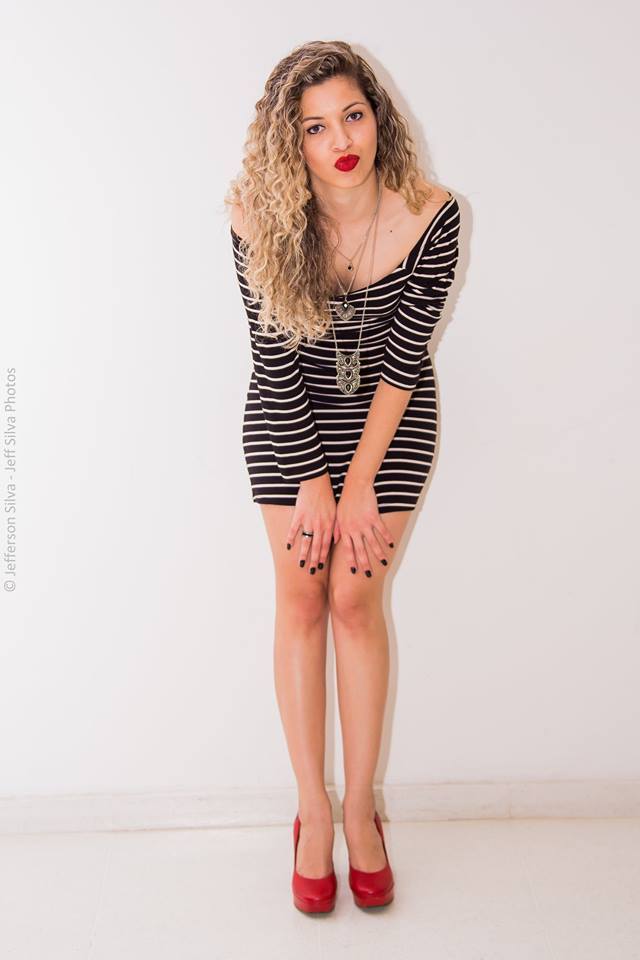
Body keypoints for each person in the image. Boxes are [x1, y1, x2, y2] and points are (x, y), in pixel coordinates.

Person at [225, 39, 461, 913]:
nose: (341, 141)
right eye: (315, 127)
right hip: (289, 417)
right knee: (300, 597)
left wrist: (358, 483)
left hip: (388, 420)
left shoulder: (431, 214)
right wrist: (314, 482)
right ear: (290, 140)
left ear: (378, 115)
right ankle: (312, 811)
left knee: (355, 600)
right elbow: (273, 355)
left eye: (352, 116)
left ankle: (361, 809)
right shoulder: (257, 214)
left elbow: (404, 359)